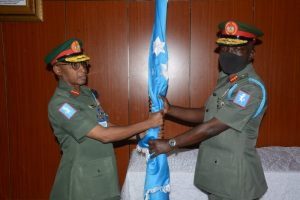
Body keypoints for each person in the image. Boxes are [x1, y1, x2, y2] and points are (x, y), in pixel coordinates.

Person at [148, 20, 268, 200]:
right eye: (225, 48)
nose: (229, 54)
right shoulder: (228, 81)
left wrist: (171, 144)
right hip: (220, 175)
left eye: (237, 49)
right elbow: (206, 114)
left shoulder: (250, 89)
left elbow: (213, 126)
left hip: (235, 181)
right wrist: (171, 109)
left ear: (251, 54)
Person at [45, 38, 163, 200]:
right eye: (75, 65)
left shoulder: (87, 94)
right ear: (58, 70)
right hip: (82, 185)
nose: (82, 70)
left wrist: (139, 135)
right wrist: (149, 123)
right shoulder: (61, 104)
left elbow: (106, 125)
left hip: (104, 177)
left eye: (84, 64)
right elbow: (104, 135)